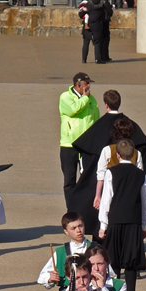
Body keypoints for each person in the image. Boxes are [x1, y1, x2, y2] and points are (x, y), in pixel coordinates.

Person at [69, 90, 146, 236]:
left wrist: (96, 191)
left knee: (103, 209)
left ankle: (101, 232)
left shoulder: (99, 128)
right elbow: (143, 148)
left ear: (106, 104)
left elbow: (88, 153)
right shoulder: (131, 126)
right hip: (128, 188)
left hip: (105, 181)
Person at [98, 139, 146, 291]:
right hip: (133, 221)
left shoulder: (111, 172)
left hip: (115, 220)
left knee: (113, 258)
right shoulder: (141, 175)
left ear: (117, 155)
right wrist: (144, 225)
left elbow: (107, 199)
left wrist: (102, 225)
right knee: (131, 260)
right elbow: (145, 202)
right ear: (134, 155)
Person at [59, 73, 99, 207]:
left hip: (86, 146)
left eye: (89, 84)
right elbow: (73, 110)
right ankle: (71, 208)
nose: (89, 87)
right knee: (69, 180)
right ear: (78, 85)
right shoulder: (65, 97)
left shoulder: (91, 99)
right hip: (69, 145)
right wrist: (85, 98)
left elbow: (96, 119)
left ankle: (85, 206)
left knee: (87, 178)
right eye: (86, 84)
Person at [37, 212, 94, 291]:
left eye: (80, 226)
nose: (78, 230)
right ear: (66, 232)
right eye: (73, 228)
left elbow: (110, 275)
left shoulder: (95, 249)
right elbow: (42, 277)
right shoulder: (60, 252)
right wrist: (50, 278)